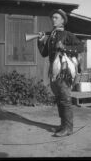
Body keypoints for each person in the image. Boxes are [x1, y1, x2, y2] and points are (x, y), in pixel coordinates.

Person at [37, 9, 84, 137]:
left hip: (65, 72)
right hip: (53, 72)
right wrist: (40, 41)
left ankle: (68, 128)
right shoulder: (51, 36)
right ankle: (63, 125)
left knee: (65, 99)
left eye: (56, 17)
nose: (53, 19)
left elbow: (81, 47)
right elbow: (44, 53)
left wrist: (65, 48)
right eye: (52, 17)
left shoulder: (67, 34)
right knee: (59, 99)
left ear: (62, 20)